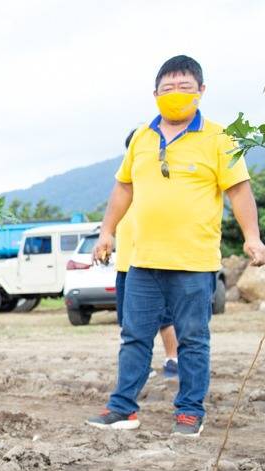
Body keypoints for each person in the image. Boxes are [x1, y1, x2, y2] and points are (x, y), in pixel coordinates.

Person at [88, 55, 265, 437]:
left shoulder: (219, 138)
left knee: (192, 339)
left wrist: (251, 237)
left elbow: (239, 191)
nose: (175, 94)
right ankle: (122, 409)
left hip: (194, 262)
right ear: (155, 94)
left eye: (184, 87)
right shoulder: (142, 137)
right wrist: (107, 231)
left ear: (201, 91)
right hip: (144, 260)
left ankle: (189, 412)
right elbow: (123, 187)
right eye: (167, 88)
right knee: (134, 337)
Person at [117, 129, 180, 380]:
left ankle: (173, 360)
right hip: (126, 263)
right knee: (129, 323)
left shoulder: (161, 177)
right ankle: (140, 367)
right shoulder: (124, 182)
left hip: (156, 260)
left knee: (165, 318)